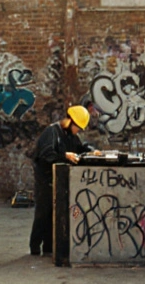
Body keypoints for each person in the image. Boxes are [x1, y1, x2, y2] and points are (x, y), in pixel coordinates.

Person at [29, 105, 99, 256]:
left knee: (54, 215)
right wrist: (65, 156)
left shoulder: (70, 136)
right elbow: (47, 155)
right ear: (70, 121)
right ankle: (35, 247)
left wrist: (92, 151)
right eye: (77, 127)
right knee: (43, 213)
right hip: (45, 180)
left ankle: (48, 248)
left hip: (58, 180)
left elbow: (80, 147)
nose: (78, 131)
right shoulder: (52, 132)